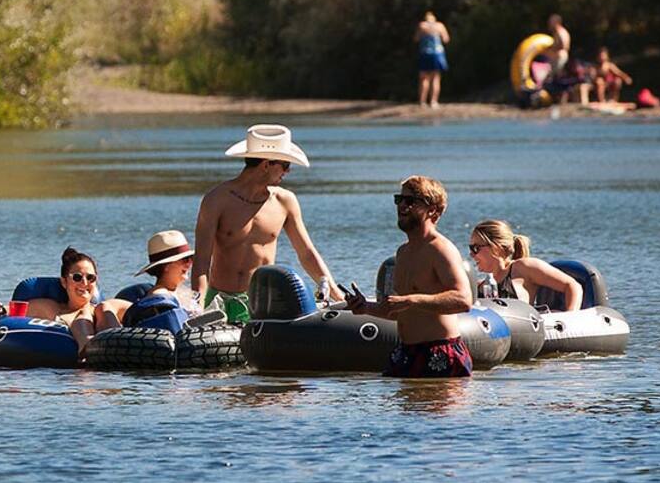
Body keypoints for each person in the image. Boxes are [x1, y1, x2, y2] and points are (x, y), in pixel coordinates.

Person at [192, 124, 343, 324]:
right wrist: (199, 307)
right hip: (220, 302)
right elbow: (202, 260)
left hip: (263, 303)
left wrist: (338, 296)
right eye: (285, 165)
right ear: (266, 164)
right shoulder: (217, 199)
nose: (288, 172)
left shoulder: (285, 201)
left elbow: (307, 253)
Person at [344, 176, 474, 378]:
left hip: (440, 352)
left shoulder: (440, 249)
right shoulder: (403, 253)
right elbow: (401, 311)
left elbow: (464, 300)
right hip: (406, 353)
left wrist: (413, 299)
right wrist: (365, 308)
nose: (402, 206)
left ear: (432, 210)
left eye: (411, 201)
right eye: (399, 199)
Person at [22, 246, 119, 355]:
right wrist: (0, 309)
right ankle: (86, 348)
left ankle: (116, 343)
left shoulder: (106, 307)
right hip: (78, 367)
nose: (85, 283)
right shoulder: (52, 309)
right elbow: (14, 310)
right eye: (77, 277)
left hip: (116, 361)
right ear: (64, 282)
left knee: (104, 307)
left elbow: (138, 308)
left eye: (90, 277)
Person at [468, 219, 582, 311]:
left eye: (475, 248)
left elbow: (572, 286)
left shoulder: (523, 268)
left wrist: (570, 317)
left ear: (496, 247)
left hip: (525, 335)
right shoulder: (481, 286)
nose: (471, 254)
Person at [98, 229, 200, 326]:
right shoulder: (160, 298)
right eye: (185, 259)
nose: (190, 263)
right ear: (166, 266)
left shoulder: (178, 292)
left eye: (191, 258)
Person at [415, 11, 450, 108]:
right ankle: (434, 102)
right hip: (437, 54)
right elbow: (446, 39)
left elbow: (416, 38)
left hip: (425, 53)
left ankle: (422, 102)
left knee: (424, 78)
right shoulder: (440, 26)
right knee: (436, 78)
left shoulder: (422, 25)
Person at [545, 13, 571, 81]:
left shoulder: (561, 32)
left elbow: (564, 46)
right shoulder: (557, 32)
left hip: (559, 58)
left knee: (551, 76)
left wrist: (553, 49)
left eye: (550, 22)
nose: (549, 24)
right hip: (557, 58)